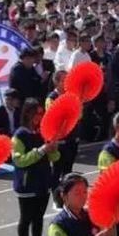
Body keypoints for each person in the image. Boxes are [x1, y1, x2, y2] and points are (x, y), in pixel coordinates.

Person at [12, 98, 60, 236]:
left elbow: (55, 158)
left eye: (41, 113)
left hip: (42, 182)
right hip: (26, 185)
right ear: (27, 113)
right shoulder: (19, 135)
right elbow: (19, 161)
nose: (40, 117)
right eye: (36, 113)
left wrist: (53, 150)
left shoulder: (43, 132)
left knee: (38, 218)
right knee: (26, 219)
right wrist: (40, 151)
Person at [46, 70, 80, 209]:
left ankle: (67, 196)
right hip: (60, 139)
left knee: (68, 170)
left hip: (72, 137)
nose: (66, 83)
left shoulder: (71, 95)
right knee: (57, 170)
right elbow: (54, 118)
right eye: (63, 80)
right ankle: (56, 197)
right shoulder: (52, 98)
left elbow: (78, 114)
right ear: (56, 82)